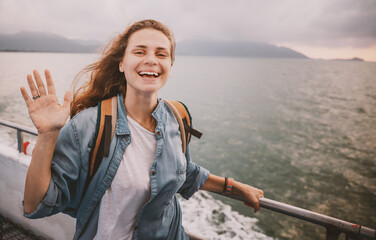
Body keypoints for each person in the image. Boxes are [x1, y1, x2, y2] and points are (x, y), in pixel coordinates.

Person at [20, 19, 264, 239]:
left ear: (170, 66)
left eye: (161, 54)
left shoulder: (177, 118)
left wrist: (232, 187)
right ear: (122, 64)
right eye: (139, 51)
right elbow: (36, 206)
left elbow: (181, 170)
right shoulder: (88, 125)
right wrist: (48, 134)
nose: (151, 59)